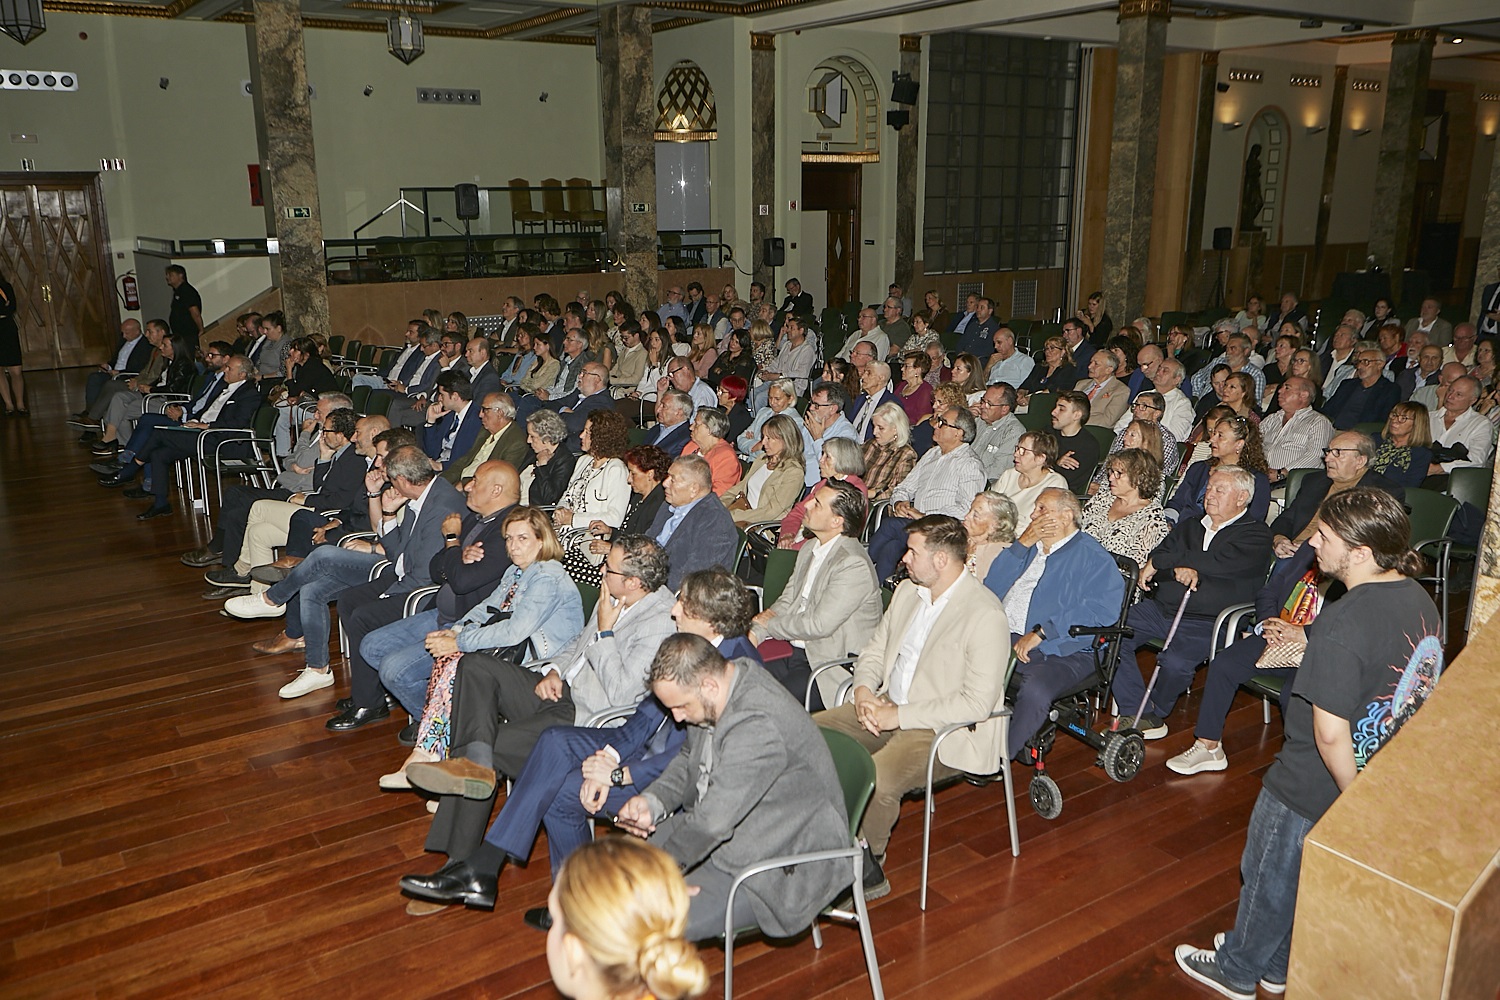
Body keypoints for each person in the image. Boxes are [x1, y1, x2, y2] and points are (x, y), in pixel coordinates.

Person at [1173, 489, 1443, 1000]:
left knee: (1268, 875)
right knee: (1300, 878)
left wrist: (1351, 794)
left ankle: (1236, 969)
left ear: (1360, 553)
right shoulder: (1418, 598)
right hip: (1379, 767)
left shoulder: (1344, 618)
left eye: (1325, 536)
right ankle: (1276, 965)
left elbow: (1330, 731)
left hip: (1313, 779)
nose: (1313, 542)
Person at [406, 535, 676, 860]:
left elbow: (622, 694)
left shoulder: (659, 622)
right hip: (560, 688)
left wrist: (605, 632)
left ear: (633, 582)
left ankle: (458, 857)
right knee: (475, 667)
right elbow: (578, 642)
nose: (602, 570)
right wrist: (555, 670)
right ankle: (471, 762)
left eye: (609, 567)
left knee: (488, 746)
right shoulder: (617, 592)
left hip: (586, 714)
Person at [816, 515, 1010, 898]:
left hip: (944, 729)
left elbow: (976, 703)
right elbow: (874, 650)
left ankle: (866, 866)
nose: (903, 558)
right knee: (811, 736)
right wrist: (863, 690)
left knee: (877, 778)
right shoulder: (908, 593)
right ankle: (826, 837)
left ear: (941, 560)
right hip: (888, 705)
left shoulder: (985, 614)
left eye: (913, 552)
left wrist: (898, 715)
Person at [611, 635, 849, 940]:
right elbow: (689, 758)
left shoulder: (756, 723)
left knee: (640, 921)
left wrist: (664, 872)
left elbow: (713, 823)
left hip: (780, 860)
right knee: (615, 872)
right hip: (732, 825)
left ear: (709, 686)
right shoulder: (725, 681)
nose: (677, 718)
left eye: (680, 707)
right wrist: (654, 801)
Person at [382, 506, 584, 779]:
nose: (513, 546)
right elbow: (486, 608)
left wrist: (460, 642)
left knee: (457, 664)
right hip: (511, 654)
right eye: (509, 539)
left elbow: (514, 632)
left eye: (522, 538)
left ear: (542, 540)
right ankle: (431, 757)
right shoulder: (516, 572)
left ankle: (432, 758)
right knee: (448, 661)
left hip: (541, 667)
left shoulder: (548, 576)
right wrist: (455, 631)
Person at [355, 460, 521, 733]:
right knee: (371, 647)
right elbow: (436, 569)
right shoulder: (477, 518)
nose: (468, 486)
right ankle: (439, 711)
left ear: (496, 490)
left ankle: (444, 726)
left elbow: (462, 580)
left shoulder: (510, 530)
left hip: (468, 624)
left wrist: (453, 541)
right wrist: (457, 554)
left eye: (476, 481)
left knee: (394, 670)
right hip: (441, 612)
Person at [1110, 466, 1274, 737]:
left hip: (1209, 622)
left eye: (1219, 490)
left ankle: (1155, 710)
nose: (1209, 494)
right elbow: (1157, 557)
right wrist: (1173, 568)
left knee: (1175, 663)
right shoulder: (1190, 525)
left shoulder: (1256, 535)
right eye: (1208, 488)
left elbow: (1216, 563)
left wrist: (1170, 563)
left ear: (1242, 497)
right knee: (1108, 634)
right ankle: (1140, 710)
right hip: (1161, 609)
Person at [984, 489, 1126, 761]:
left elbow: (1100, 610)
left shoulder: (1092, 557)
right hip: (1005, 634)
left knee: (1036, 690)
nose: (1033, 515)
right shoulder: (1028, 548)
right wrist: (1021, 544)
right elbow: (990, 588)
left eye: (1041, 509)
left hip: (1064, 648)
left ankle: (997, 759)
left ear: (1066, 516)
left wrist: (1043, 631)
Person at [752, 480, 882, 708]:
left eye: (817, 504)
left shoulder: (852, 564)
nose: (807, 505)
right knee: (735, 681)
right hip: (796, 649)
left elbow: (818, 625)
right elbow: (787, 601)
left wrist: (770, 625)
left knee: (763, 704)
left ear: (836, 521)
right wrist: (756, 632)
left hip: (827, 663)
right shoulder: (809, 548)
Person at [866, 406, 988, 582]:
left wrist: (926, 516)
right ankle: (876, 590)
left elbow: (966, 509)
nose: (935, 425)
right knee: (891, 547)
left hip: (943, 531)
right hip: (916, 523)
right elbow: (904, 487)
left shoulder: (969, 465)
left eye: (942, 423)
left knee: (890, 525)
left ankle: (859, 566)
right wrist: (900, 502)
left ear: (958, 433)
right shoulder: (932, 454)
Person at [1270, 431, 1406, 560]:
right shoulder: (1314, 481)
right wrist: (1279, 539)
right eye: (1328, 451)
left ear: (1360, 460)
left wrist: (1314, 549)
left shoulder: (1384, 492)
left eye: (1337, 453)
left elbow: (1372, 541)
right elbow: (1288, 517)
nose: (1327, 458)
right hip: (1293, 549)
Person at [552, 409, 633, 563]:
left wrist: (574, 519)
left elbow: (614, 519)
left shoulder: (616, 469)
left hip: (585, 542)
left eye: (588, 433)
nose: (581, 436)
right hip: (563, 533)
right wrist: (561, 510)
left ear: (602, 438)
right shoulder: (583, 461)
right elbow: (567, 495)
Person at [648, 455, 740, 590]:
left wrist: (645, 584)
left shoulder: (715, 522)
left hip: (671, 592)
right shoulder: (669, 505)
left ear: (694, 489)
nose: (665, 483)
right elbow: (647, 541)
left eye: (673, 479)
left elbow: (693, 579)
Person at [1167, 415, 1271, 524]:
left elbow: (1254, 520)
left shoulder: (1257, 480)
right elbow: (1177, 503)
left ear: (1239, 444)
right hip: (1184, 528)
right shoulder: (1198, 469)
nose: (1212, 439)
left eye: (1220, 436)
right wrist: (1168, 521)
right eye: (1213, 434)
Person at [1082, 449, 1171, 569]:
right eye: (1111, 472)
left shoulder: (1152, 519)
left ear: (1138, 478)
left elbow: (1136, 566)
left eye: (1118, 473)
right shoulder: (1103, 498)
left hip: (1111, 576)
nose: (1111, 478)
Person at [774, 436, 866, 548]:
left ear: (843, 461)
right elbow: (797, 512)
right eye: (823, 454)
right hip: (799, 540)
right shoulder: (824, 484)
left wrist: (793, 548)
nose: (821, 460)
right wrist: (788, 535)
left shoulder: (854, 492)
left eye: (827, 457)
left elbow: (831, 537)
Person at [721, 413, 804, 527]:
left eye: (769, 438)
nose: (763, 443)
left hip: (760, 526)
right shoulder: (762, 459)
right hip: (742, 516)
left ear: (785, 440)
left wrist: (733, 516)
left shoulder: (793, 472)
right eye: (763, 437)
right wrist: (718, 505)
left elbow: (770, 511)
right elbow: (739, 488)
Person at [1259, 377, 1334, 484]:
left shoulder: (1318, 422)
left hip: (1292, 482)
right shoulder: (1272, 419)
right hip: (1260, 476)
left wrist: (1282, 473)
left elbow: (1316, 456)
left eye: (1287, 388)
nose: (1279, 391)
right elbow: (1254, 444)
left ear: (1304, 395)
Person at [1426, 375, 1495, 482]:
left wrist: (1439, 468)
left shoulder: (1481, 424)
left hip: (1456, 482)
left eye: (1459, 394)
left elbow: (1477, 461)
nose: (1450, 396)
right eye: (1450, 390)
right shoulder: (1428, 417)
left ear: (1472, 400)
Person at [991, 430, 1069, 524]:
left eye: (1023, 451)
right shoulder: (1009, 475)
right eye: (1017, 449)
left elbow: (1050, 523)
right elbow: (989, 507)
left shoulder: (1055, 484)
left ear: (1040, 458)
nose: (1015, 454)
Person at [1322, 347, 1399, 430]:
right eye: (1358, 362)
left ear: (1380, 364)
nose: (1359, 366)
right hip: (1331, 429)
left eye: (1365, 362)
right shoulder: (1347, 384)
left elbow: (1383, 421)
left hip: (1361, 433)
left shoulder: (1389, 390)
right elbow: (1328, 409)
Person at [863, 401, 919, 502]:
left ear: (895, 429)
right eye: (874, 426)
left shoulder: (906, 454)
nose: (874, 432)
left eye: (881, 428)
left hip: (876, 504)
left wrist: (872, 493)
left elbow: (900, 490)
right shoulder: (869, 444)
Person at [1370, 402, 1435, 489]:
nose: (1394, 420)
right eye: (1394, 415)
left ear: (1417, 424)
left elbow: (1409, 488)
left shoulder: (1420, 454)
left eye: (1403, 418)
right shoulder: (1375, 439)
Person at [519, 409, 576, 507]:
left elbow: (550, 498)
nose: (528, 441)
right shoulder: (534, 451)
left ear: (547, 438)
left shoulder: (565, 461)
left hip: (532, 511)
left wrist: (542, 466)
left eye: (532, 436)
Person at [1048, 391, 1100, 496]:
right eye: (1056, 407)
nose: (1053, 412)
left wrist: (1051, 464)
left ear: (1076, 415)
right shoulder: (1047, 433)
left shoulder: (1088, 446)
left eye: (1061, 409)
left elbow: (1064, 482)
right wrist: (1056, 464)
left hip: (1060, 496)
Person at [962, 489, 1018, 581]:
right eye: (970, 510)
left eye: (975, 515)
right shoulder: (958, 536)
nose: (966, 516)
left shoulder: (999, 556)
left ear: (996, 525)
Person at [1075, 349, 1129, 428]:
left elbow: (1107, 421)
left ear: (1108, 370)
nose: (1089, 366)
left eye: (1096, 364)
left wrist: (1076, 420)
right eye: (1091, 362)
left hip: (1093, 430)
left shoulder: (1121, 391)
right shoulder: (1081, 384)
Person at [847, 360, 898, 441]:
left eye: (868, 373)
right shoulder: (860, 399)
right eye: (864, 372)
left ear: (881, 378)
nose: (863, 377)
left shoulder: (891, 404)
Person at [1017, 335, 1077, 400]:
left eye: (1052, 348)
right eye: (1046, 349)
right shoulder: (1039, 367)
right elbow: (1026, 385)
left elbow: (1055, 389)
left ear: (1063, 352)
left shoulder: (1068, 369)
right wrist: (1021, 394)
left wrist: (1032, 399)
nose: (1047, 351)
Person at [163, 264, 204, 357]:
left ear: (180, 275)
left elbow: (195, 312)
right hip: (180, 334)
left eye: (171, 275)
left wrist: (201, 329)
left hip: (188, 334)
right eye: (167, 275)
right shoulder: (178, 291)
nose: (167, 277)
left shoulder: (187, 291)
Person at [894, 352, 936, 426]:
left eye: (906, 366)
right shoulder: (901, 385)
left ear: (918, 370)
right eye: (903, 365)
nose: (902, 369)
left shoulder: (925, 390)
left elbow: (922, 420)